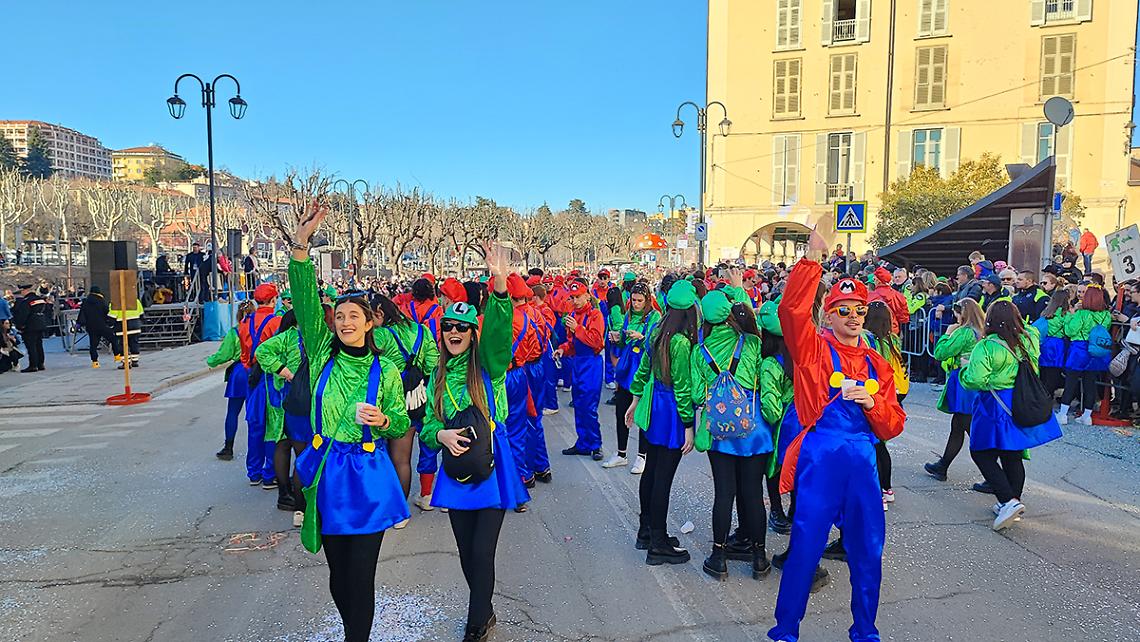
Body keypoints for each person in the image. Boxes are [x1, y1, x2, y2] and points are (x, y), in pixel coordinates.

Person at [290, 204, 411, 642]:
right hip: (327, 471)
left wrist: (382, 418)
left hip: (368, 475)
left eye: (353, 316)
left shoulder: (388, 371)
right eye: (339, 317)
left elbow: (399, 422)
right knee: (338, 574)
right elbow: (304, 303)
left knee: (361, 575)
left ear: (368, 324)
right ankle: (350, 631)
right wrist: (301, 248)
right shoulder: (323, 354)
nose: (344, 322)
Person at [769, 256, 905, 642]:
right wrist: (812, 260)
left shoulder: (878, 363)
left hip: (862, 462)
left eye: (859, 310)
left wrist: (873, 404)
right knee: (805, 548)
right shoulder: (812, 350)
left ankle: (866, 632)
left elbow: (893, 424)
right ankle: (785, 632)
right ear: (828, 316)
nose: (853, 316)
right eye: (843, 310)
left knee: (868, 552)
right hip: (821, 458)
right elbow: (792, 310)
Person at [419, 242, 529, 642]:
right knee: (468, 555)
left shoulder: (489, 365)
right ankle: (484, 607)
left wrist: (499, 285)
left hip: (492, 468)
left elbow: (500, 337)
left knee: (482, 552)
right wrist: (439, 434)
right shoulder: (437, 375)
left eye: (462, 327)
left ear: (472, 333)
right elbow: (427, 423)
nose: (453, 332)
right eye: (448, 326)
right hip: (455, 470)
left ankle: (476, 623)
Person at [690, 278, 773, 581]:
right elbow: (763, 381)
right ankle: (759, 557)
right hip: (755, 431)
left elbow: (698, 396)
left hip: (720, 434)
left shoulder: (699, 351)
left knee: (723, 494)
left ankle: (719, 555)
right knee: (753, 493)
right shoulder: (752, 343)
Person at [960, 300, 1063, 530]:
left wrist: (965, 369)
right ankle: (1012, 501)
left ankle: (1008, 501)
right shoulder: (1029, 339)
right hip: (1020, 399)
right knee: (1012, 453)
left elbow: (975, 380)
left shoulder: (986, 346)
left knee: (981, 452)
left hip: (994, 404)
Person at [625, 279, 698, 565]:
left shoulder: (657, 331)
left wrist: (634, 401)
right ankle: (658, 542)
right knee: (662, 479)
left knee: (652, 472)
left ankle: (647, 532)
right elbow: (681, 387)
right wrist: (689, 425)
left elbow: (643, 370)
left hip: (653, 407)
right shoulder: (679, 341)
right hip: (670, 412)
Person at [370, 293, 440, 522]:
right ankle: (426, 496)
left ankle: (397, 511)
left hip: (397, 402)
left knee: (399, 458)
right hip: (423, 396)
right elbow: (432, 364)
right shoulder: (421, 330)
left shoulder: (380, 336)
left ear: (379, 313)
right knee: (429, 448)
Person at [924, 298, 985, 481]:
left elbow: (941, 353)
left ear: (963, 313)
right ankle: (942, 466)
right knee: (958, 426)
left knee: (970, 429)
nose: (955, 316)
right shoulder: (983, 331)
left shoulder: (964, 332)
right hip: (976, 383)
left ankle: (993, 473)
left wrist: (947, 333)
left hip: (964, 383)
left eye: (957, 313)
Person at [606, 281, 660, 471]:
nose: (636, 304)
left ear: (647, 300)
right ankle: (621, 453)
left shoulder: (655, 317)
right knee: (621, 412)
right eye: (633, 300)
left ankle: (642, 456)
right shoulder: (628, 316)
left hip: (644, 372)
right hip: (626, 371)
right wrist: (618, 338)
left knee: (642, 415)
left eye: (640, 300)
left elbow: (657, 344)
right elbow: (622, 345)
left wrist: (643, 337)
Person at [503, 273, 546, 501]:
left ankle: (522, 474)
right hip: (538, 367)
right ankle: (541, 465)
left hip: (521, 370)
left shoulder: (510, 318)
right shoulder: (537, 313)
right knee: (534, 418)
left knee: (516, 425)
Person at [555, 280, 606, 461]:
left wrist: (578, 328)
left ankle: (595, 443)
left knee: (589, 405)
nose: (575, 300)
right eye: (573, 297)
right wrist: (562, 348)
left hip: (591, 363)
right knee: (579, 403)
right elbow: (572, 343)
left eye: (578, 297)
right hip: (578, 362)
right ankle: (583, 442)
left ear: (587, 296)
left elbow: (596, 342)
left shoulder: (595, 315)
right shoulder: (573, 315)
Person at [238, 283, 282, 488]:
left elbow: (244, 354)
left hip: (253, 378)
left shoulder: (245, 322)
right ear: (273, 300)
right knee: (273, 427)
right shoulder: (277, 322)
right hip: (272, 377)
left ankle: (253, 472)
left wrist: (249, 366)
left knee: (255, 425)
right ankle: (269, 473)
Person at [862, 301, 904, 510]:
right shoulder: (893, 340)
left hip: (875, 395)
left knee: (873, 447)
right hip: (892, 394)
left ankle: (877, 492)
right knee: (881, 445)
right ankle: (887, 488)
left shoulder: (868, 341)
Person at [206, 301, 257, 462]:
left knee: (233, 412)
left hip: (238, 372)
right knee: (254, 414)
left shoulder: (234, 332)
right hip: (255, 371)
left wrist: (211, 361)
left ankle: (228, 447)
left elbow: (224, 354)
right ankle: (254, 451)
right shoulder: (257, 331)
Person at [1057, 287, 1112, 425]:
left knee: (1071, 382)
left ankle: (1063, 414)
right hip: (1096, 350)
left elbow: (1070, 331)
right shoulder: (1106, 315)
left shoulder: (1082, 314)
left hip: (1079, 349)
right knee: (1090, 383)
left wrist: (1072, 314)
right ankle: (1087, 416)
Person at [1036, 289, 1071, 396]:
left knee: (1044, 373)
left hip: (1045, 343)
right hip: (1058, 345)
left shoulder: (1046, 313)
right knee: (1054, 374)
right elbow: (1069, 331)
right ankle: (1048, 396)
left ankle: (1040, 396)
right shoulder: (1066, 315)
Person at [11, 283, 47, 373]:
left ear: (25, 290)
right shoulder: (40, 300)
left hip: (30, 326)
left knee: (31, 346)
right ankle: (41, 364)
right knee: (39, 345)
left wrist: (19, 326)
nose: (21, 293)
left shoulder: (26, 301)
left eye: (22, 291)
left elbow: (23, 315)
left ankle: (33, 365)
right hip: (40, 324)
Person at [77, 286, 115, 368]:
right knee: (113, 338)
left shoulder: (86, 302)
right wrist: (111, 321)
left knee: (93, 344)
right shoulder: (102, 301)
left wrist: (79, 323)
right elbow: (107, 312)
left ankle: (95, 362)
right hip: (102, 325)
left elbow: (82, 314)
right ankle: (117, 355)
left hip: (91, 326)